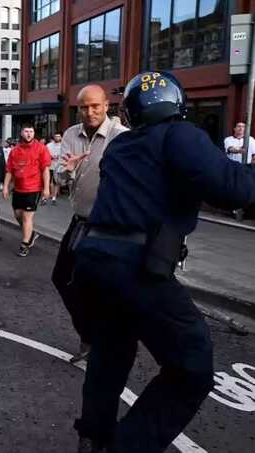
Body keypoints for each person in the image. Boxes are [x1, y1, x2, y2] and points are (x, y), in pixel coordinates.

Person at [73, 71, 255, 453]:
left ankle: (94, 436)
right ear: (176, 104)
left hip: (93, 259)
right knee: (191, 368)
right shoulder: (179, 135)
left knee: (111, 352)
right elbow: (232, 188)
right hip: (136, 266)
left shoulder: (120, 147)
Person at [52, 85, 128, 363]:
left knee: (102, 288)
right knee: (62, 277)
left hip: (110, 227)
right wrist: (66, 171)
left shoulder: (122, 137)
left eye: (95, 106)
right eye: (84, 107)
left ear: (107, 105)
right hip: (80, 222)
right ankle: (88, 336)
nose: (90, 111)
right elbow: (59, 179)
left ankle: (105, 345)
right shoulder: (72, 135)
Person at [2, 124, 51, 257]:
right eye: (26, 131)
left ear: (34, 133)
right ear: (21, 133)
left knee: (26, 217)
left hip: (33, 188)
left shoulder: (41, 148)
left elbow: (45, 170)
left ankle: (25, 244)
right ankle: (31, 234)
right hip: (18, 189)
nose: (29, 134)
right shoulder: (15, 150)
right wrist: (5, 186)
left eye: (31, 131)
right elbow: (9, 170)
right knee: (18, 215)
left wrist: (46, 188)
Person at [46, 132, 63, 205]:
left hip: (58, 166)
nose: (57, 138)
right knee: (48, 181)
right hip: (49, 165)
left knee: (56, 182)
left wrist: (59, 156)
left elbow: (65, 153)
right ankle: (46, 196)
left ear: (61, 137)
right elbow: (45, 153)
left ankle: (54, 197)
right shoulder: (49, 145)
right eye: (56, 136)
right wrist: (50, 156)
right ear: (54, 137)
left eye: (59, 136)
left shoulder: (63, 145)